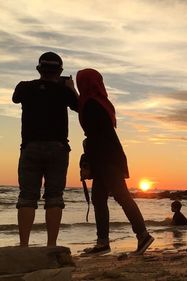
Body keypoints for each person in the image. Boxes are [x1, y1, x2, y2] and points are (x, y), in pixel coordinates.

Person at [77, 68, 153, 255]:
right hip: (109, 156)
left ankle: (142, 235)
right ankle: (103, 242)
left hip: (105, 158)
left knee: (121, 196)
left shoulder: (91, 104)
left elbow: (96, 137)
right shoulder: (100, 102)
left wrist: (88, 163)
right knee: (99, 199)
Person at [13, 52, 78, 247]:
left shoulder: (25, 87)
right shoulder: (63, 92)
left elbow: (16, 98)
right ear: (59, 71)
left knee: (26, 197)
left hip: (31, 147)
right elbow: (80, 106)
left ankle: (24, 245)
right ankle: (51, 246)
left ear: (39, 69)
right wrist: (70, 88)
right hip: (57, 147)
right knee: (54, 197)